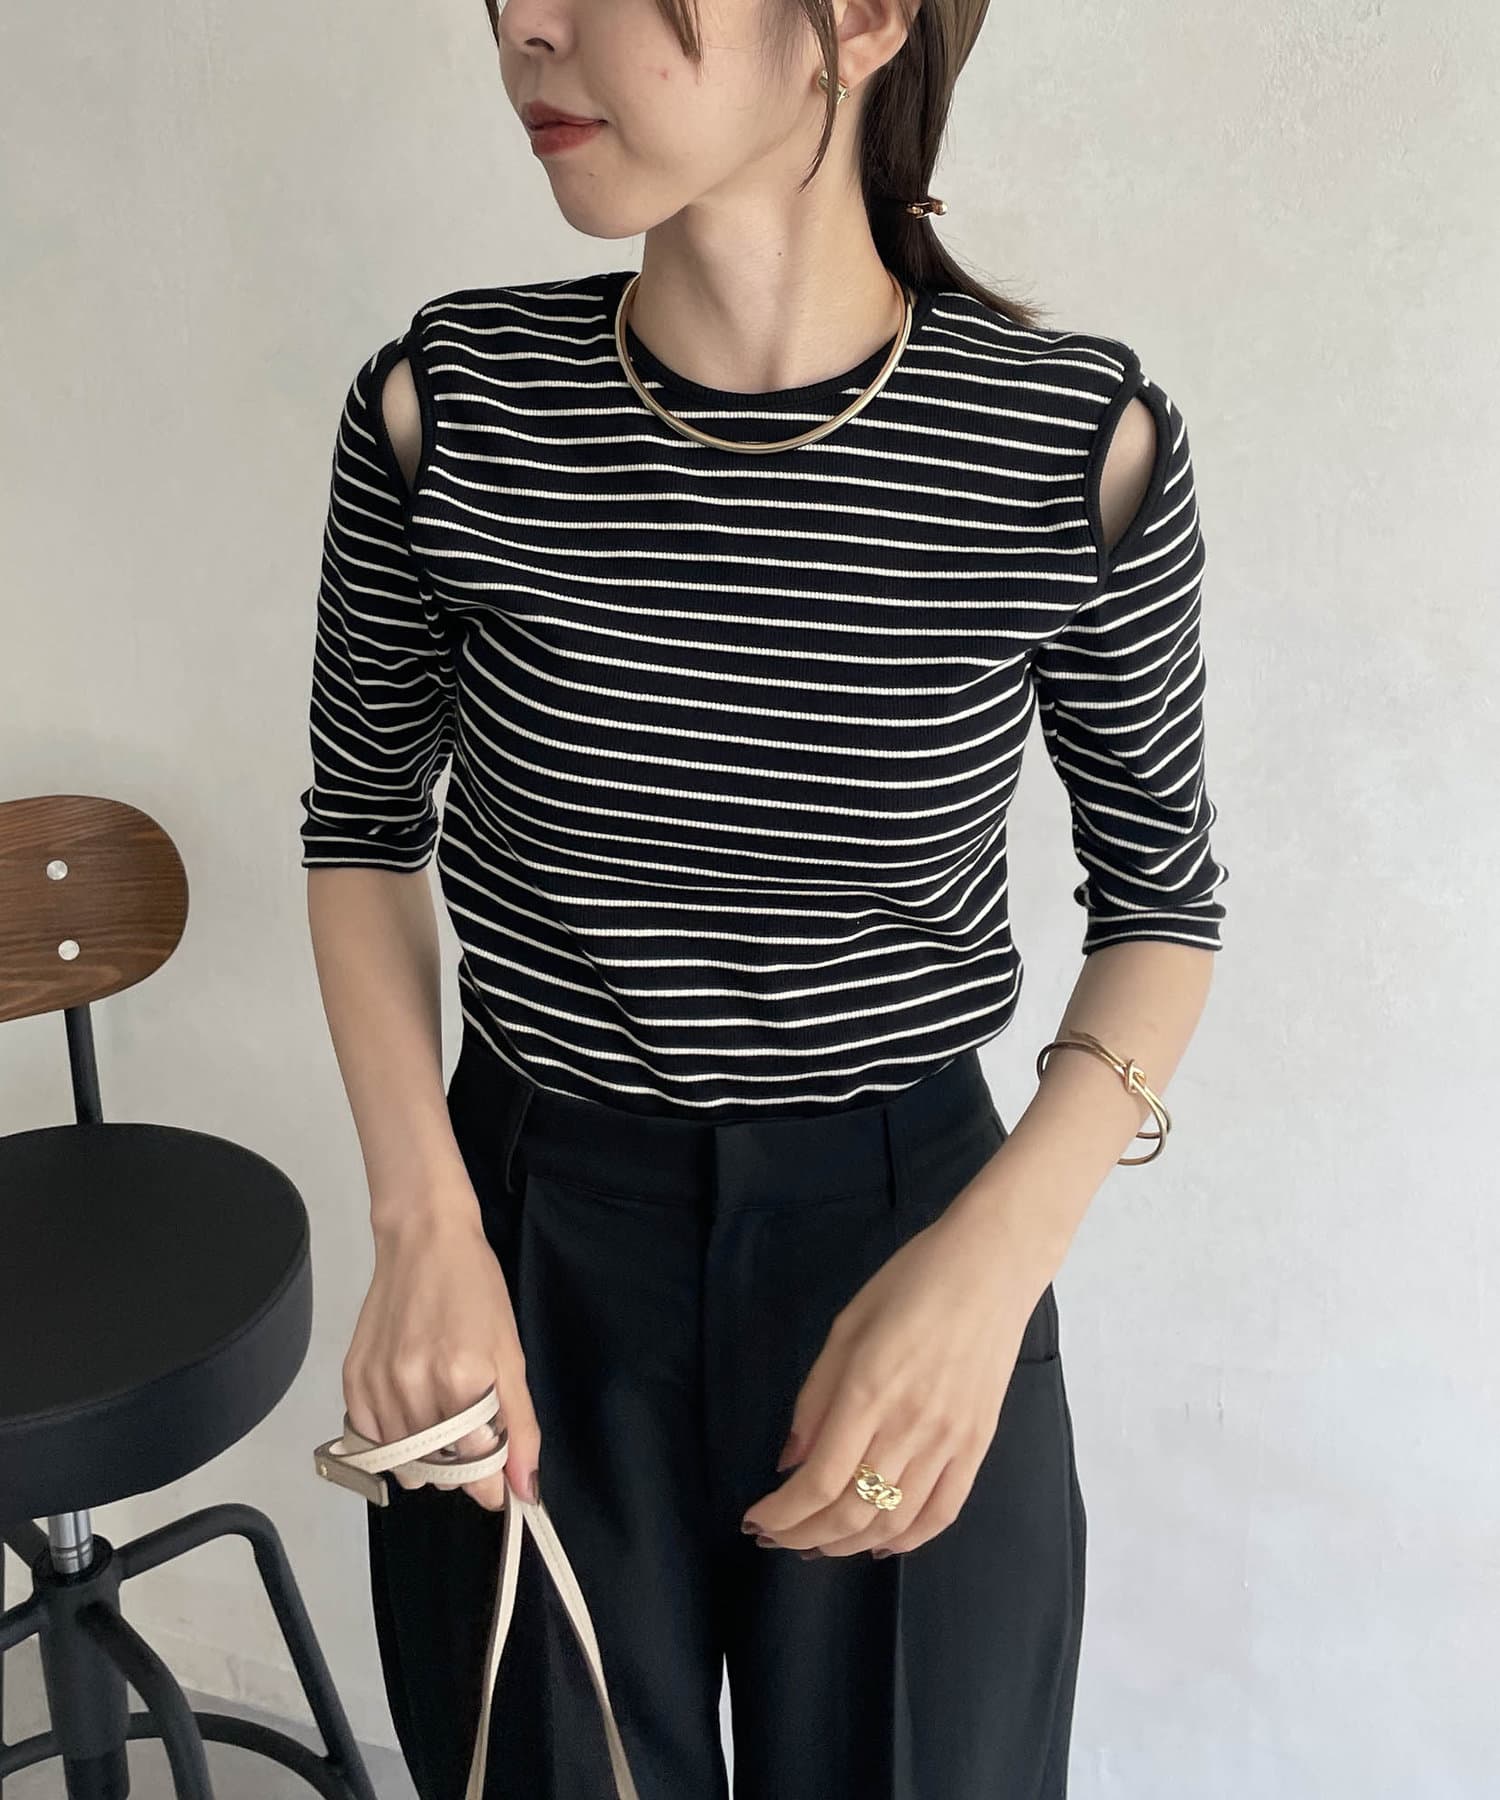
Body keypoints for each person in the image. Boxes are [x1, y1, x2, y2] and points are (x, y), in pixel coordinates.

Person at [298, 0, 1229, 1793]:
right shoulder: (448, 408)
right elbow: (360, 829)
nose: (526, 26)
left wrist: (994, 1272)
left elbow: (1160, 904)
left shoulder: (1070, 440)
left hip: (911, 1229)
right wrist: (422, 1229)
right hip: (527, 1241)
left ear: (858, 21)